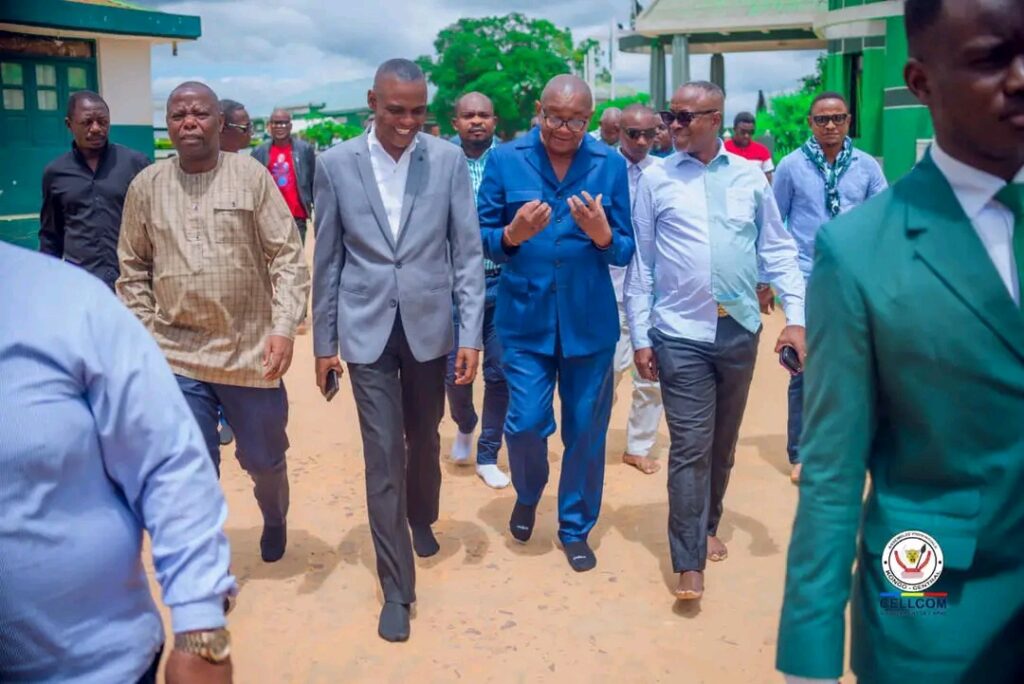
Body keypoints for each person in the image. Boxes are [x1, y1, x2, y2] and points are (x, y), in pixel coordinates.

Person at [777, 1, 1024, 683]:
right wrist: (809, 660)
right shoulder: (858, 252)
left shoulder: (865, 169)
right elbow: (832, 471)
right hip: (932, 602)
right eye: (990, 58)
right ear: (920, 82)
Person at [0, 242, 236, 684]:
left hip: (99, 669)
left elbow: (168, 460)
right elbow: (133, 261)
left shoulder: (64, 303)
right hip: (175, 343)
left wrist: (201, 631)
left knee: (261, 456)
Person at [312, 59, 484, 642]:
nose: (407, 122)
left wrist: (470, 335)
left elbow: (467, 253)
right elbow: (328, 259)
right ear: (372, 102)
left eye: (417, 111)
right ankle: (396, 588)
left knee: (424, 436)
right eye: (395, 110)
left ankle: (422, 514)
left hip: (429, 328)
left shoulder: (447, 160)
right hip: (366, 332)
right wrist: (324, 343)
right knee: (383, 454)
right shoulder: (336, 164)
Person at [626, 81, 805, 601]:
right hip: (679, 332)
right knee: (689, 446)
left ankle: (707, 524)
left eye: (684, 117)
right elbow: (643, 264)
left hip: (738, 330)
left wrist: (796, 318)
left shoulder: (750, 178)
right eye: (670, 115)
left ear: (714, 118)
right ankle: (688, 561)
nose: (672, 125)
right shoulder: (657, 179)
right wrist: (641, 335)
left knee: (722, 445)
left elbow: (778, 250)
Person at [118, 81, 310, 566]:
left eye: (200, 113)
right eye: (178, 115)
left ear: (219, 123)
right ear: (168, 125)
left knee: (264, 461)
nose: (189, 122)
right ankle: (206, 568)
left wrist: (283, 327)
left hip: (250, 354)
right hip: (177, 354)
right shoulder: (147, 186)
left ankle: (275, 516)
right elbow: (132, 268)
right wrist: (146, 335)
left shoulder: (250, 176)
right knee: (192, 469)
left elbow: (287, 257)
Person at [478, 74, 634, 573]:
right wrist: (512, 234)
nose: (564, 129)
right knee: (524, 424)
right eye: (554, 117)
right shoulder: (505, 160)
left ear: (590, 120)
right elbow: (481, 235)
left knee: (586, 432)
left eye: (576, 121)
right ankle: (529, 491)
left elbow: (625, 248)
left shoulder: (609, 164)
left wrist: (602, 234)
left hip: (589, 322)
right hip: (525, 319)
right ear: (539, 110)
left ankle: (574, 527)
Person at [771, 91, 887, 484]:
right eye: (822, 119)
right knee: (805, 364)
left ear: (849, 120)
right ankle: (802, 453)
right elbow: (775, 224)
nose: (831, 125)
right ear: (811, 123)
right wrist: (767, 279)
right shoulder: (791, 166)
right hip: (807, 274)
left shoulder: (867, 167)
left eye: (838, 118)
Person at [446, 91, 511, 489]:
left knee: (500, 372)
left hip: (502, 283)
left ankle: (488, 453)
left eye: (483, 115)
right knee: (455, 374)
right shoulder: (440, 161)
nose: (476, 121)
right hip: (453, 289)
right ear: (455, 122)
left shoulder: (510, 162)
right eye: (468, 115)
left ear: (494, 121)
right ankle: (466, 423)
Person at [38, 90, 150, 290]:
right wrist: (47, 283)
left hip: (132, 283)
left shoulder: (136, 164)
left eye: (103, 121)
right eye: (87, 122)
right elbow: (51, 236)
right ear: (69, 124)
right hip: (81, 284)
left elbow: (154, 223)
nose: (96, 128)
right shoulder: (55, 174)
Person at [611, 103, 664, 475]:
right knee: (608, 372)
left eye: (650, 134)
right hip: (609, 289)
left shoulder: (665, 173)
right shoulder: (601, 169)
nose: (643, 141)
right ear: (619, 132)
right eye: (634, 134)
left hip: (653, 291)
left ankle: (638, 447)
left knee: (651, 376)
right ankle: (589, 438)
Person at [252, 108, 316, 244]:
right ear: (269, 126)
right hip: (269, 217)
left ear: (290, 126)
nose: (280, 126)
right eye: (275, 123)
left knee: (296, 255)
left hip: (297, 216)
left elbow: (314, 182)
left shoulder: (304, 150)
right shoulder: (259, 152)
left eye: (284, 123)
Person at [724, 111, 774, 182]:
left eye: (750, 132)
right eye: (743, 132)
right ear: (734, 129)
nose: (746, 136)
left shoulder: (762, 151)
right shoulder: (723, 150)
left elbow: (768, 178)